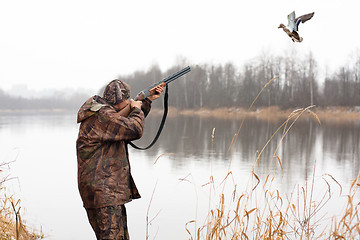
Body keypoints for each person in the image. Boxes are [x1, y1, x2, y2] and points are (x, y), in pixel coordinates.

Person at [76, 79, 164, 240]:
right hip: (104, 194)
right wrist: (136, 109)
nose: (129, 103)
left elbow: (123, 124)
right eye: (126, 101)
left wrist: (147, 100)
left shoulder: (102, 113)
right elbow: (134, 129)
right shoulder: (102, 116)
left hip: (107, 193)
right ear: (119, 102)